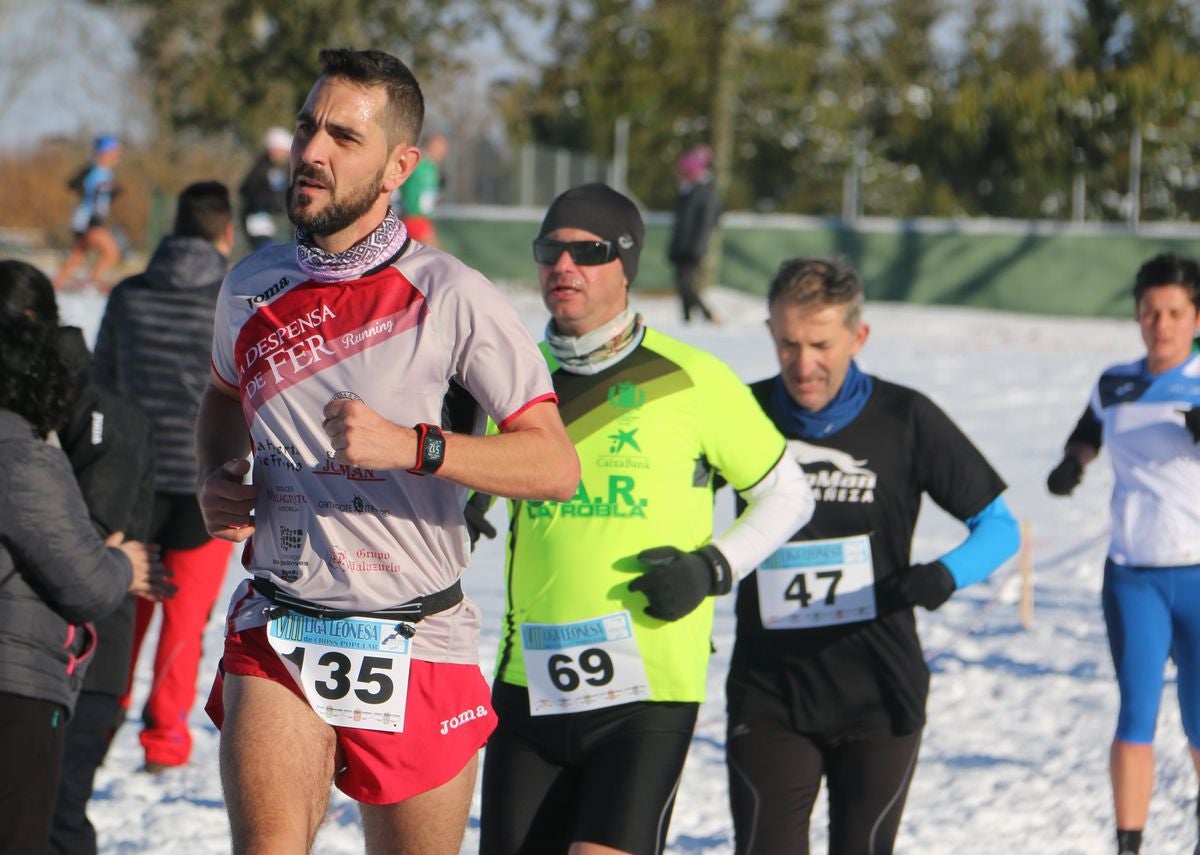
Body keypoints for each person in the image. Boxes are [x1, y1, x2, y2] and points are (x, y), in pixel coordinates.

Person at [196, 48, 579, 855]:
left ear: (400, 165)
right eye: (307, 127)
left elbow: (553, 465)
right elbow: (225, 395)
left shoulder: (450, 293)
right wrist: (215, 475)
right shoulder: (251, 286)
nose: (312, 152)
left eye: (343, 136)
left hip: (416, 632)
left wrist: (418, 447)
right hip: (283, 625)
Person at [477, 183, 815, 855]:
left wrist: (711, 567)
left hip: (647, 687)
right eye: (551, 249)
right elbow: (463, 486)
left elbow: (789, 495)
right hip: (529, 682)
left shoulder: (693, 378)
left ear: (627, 264)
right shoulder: (513, 377)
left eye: (589, 251)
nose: (563, 266)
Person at [725, 257, 1020, 855]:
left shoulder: (906, 418)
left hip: (879, 691)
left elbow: (999, 527)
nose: (803, 365)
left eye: (820, 344)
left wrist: (945, 573)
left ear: (858, 337)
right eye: (787, 344)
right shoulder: (741, 412)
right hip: (770, 690)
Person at [0, 275, 163, 854]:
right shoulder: (23, 446)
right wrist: (115, 560)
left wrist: (110, 560)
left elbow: (88, 555)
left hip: (67, 667)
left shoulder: (88, 420)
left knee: (57, 818)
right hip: (29, 671)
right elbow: (88, 567)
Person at [1046, 253, 1200, 855]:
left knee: (1198, 717)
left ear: (1195, 317)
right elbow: (1090, 429)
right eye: (1149, 312)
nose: (1160, 325)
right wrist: (1072, 464)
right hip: (1134, 574)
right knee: (1135, 711)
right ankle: (1129, 843)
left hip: (1197, 571)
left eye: (1174, 313)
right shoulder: (1116, 380)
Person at [92, 181, 238, 774]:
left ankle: (96, 728)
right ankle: (165, 744)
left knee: (122, 615)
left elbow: (101, 384)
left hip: (131, 484)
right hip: (208, 484)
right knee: (185, 623)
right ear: (225, 231)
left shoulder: (129, 296)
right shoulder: (234, 299)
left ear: (172, 228)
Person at [54, 135, 123, 291]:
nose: (118, 157)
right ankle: (89, 283)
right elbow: (75, 185)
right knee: (112, 252)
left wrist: (112, 193)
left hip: (85, 219)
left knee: (77, 257)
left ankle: (55, 284)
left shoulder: (106, 172)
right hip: (89, 219)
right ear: (104, 152)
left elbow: (101, 195)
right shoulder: (94, 170)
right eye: (115, 152)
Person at [667, 145, 720, 324]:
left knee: (687, 285)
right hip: (681, 247)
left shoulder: (704, 193)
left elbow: (705, 223)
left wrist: (697, 247)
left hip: (693, 248)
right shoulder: (685, 192)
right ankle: (687, 319)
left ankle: (708, 314)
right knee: (682, 286)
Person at [238, 126, 293, 250]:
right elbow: (250, 194)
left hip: (273, 227)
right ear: (274, 150)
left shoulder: (278, 170)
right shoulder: (261, 171)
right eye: (283, 151)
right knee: (268, 255)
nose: (286, 155)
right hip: (261, 226)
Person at [397, 131, 447, 246]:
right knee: (436, 256)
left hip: (423, 219)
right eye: (439, 146)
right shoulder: (417, 164)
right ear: (430, 145)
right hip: (412, 218)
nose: (443, 151)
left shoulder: (434, 169)